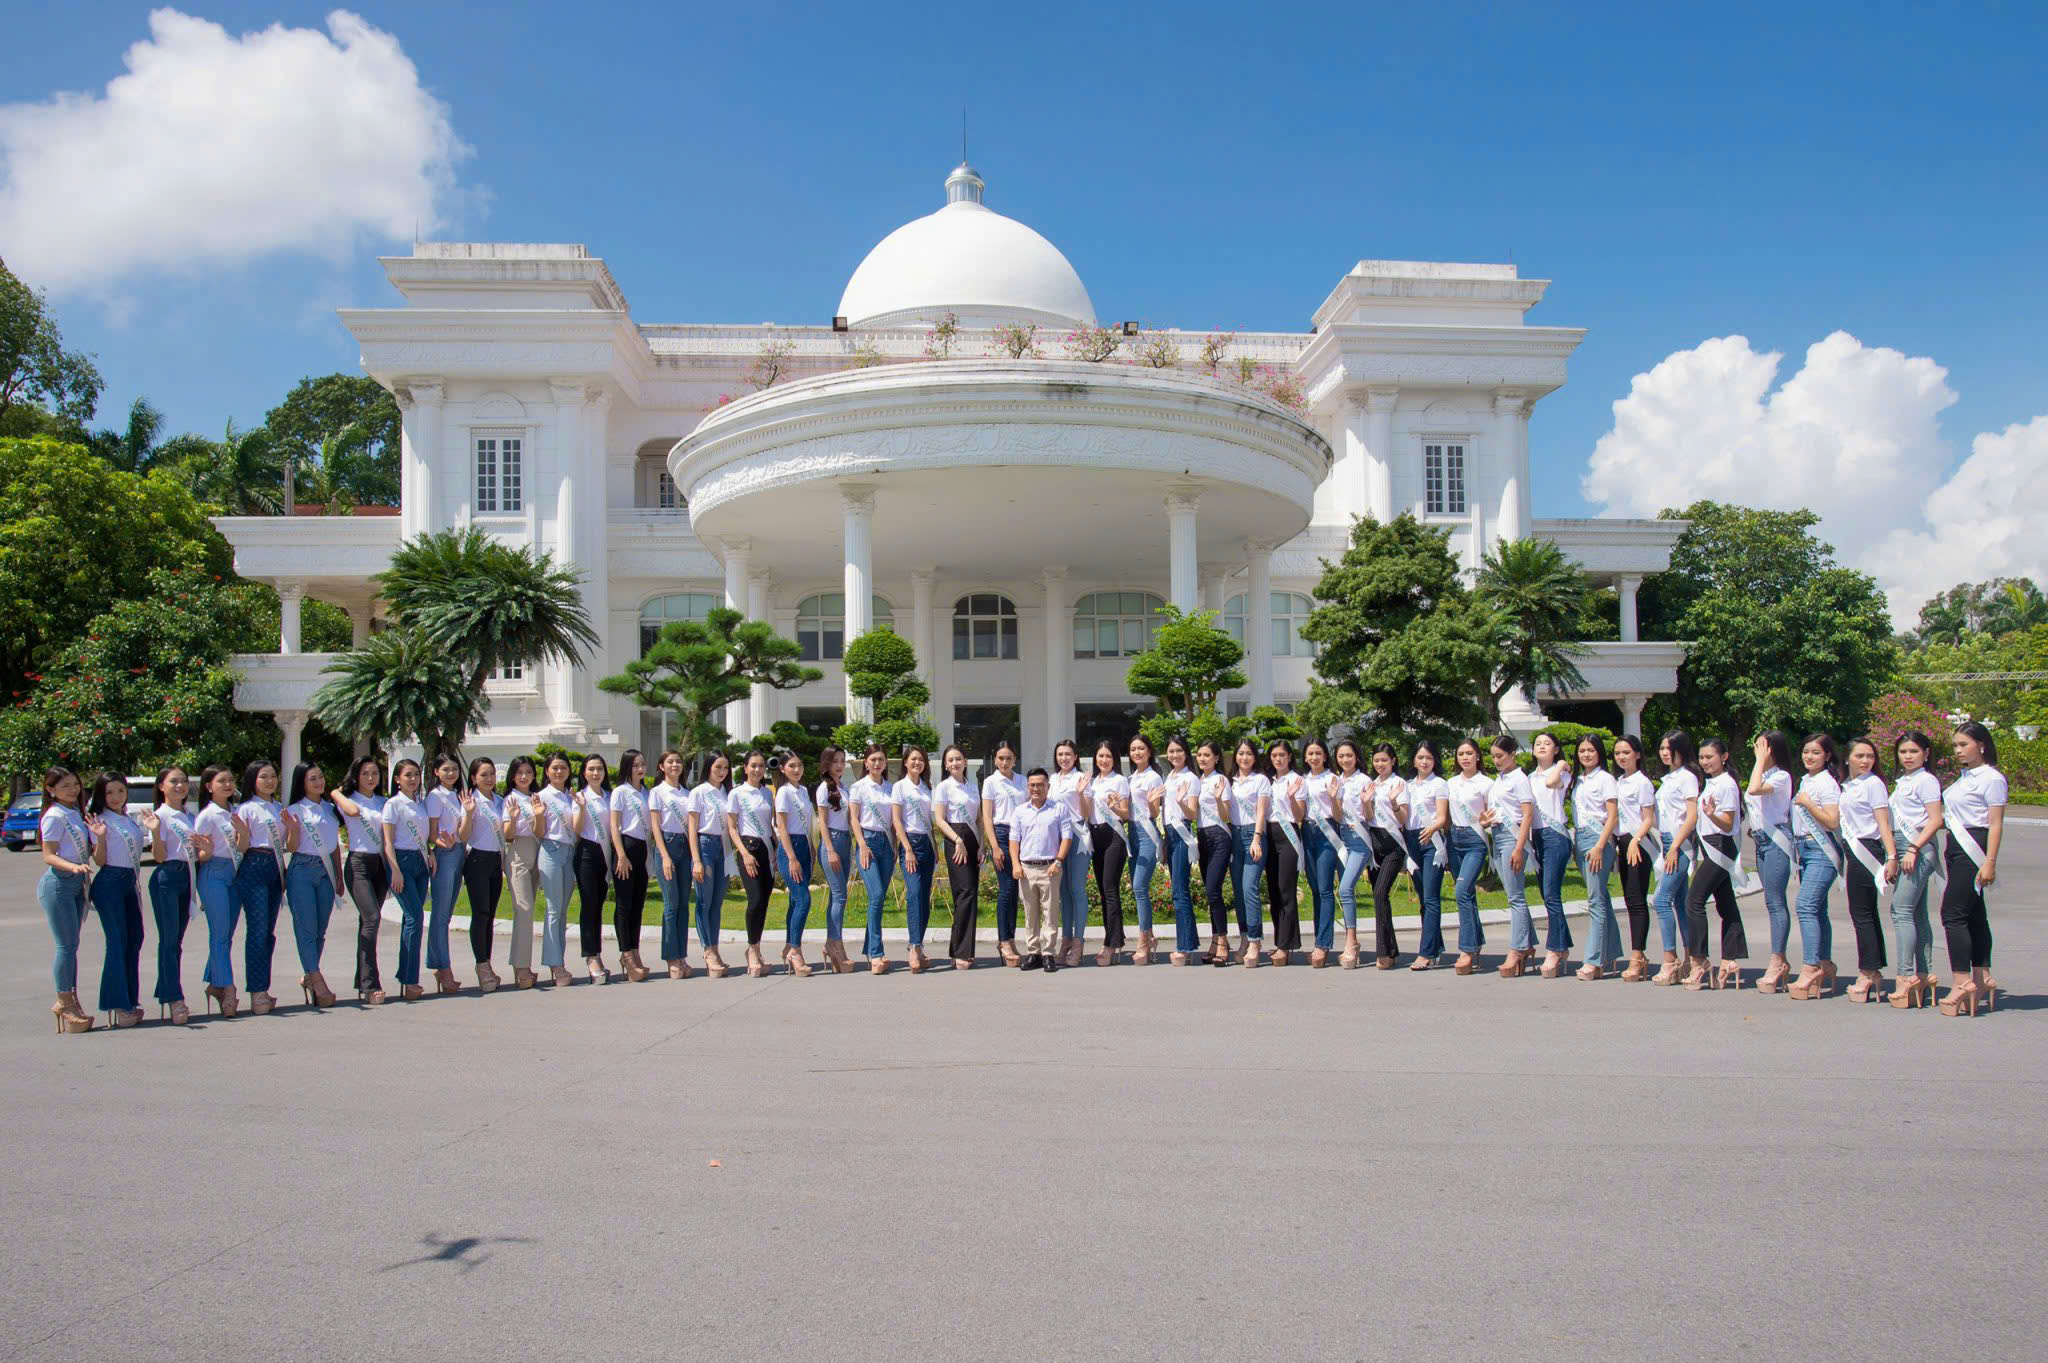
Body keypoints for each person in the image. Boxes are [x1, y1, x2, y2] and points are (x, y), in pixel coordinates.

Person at [1936, 721, 2004, 1017]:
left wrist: (1990, 861)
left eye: (1963, 745)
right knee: (1975, 914)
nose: (1958, 751)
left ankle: (1962, 980)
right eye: (1955, 746)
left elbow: (1996, 823)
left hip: (1973, 846)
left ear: (1982, 745)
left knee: (1953, 913)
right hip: (1955, 846)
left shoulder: (1991, 778)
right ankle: (1982, 974)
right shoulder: (1964, 778)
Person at [1682, 738, 1750, 990]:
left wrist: (1711, 815)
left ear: (1724, 757)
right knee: (1726, 903)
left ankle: (1698, 961)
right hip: (1710, 844)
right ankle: (1730, 959)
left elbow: (1729, 823)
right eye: (1701, 757)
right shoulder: (1710, 783)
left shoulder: (1727, 784)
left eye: (1710, 757)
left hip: (1720, 845)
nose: (1705, 761)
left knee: (1694, 900)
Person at [1837, 738, 1899, 1003]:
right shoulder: (1849, 785)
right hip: (1853, 849)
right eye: (1860, 756)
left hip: (1867, 850)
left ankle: (1868, 972)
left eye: (1870, 756)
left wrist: (1892, 856)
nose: (1865, 761)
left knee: (1862, 913)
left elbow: (1883, 823)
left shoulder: (1873, 784)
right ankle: (1873, 968)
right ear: (1848, 758)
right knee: (1864, 913)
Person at [1885, 731, 1944, 1008]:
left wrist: (1913, 849)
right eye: (1903, 752)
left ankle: (1906, 976)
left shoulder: (1927, 781)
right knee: (1916, 913)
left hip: (1917, 848)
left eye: (1913, 751)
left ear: (1926, 753)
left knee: (1901, 910)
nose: (1908, 756)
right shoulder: (1905, 781)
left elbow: (1935, 820)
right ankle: (1925, 972)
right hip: (1905, 847)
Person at [84, 772, 147, 1028]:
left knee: (135, 939)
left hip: (129, 881)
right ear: (100, 794)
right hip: (109, 882)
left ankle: (130, 1000)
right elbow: (99, 860)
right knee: (118, 941)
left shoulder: (127, 817)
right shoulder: (99, 820)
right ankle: (119, 1005)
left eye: (120, 791)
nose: (115, 797)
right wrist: (98, 836)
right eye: (109, 792)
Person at [142, 767, 203, 1023]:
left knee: (176, 942)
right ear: (161, 786)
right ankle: (174, 998)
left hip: (187, 878)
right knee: (168, 941)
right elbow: (158, 857)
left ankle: (167, 990)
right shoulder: (159, 816)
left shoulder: (190, 816)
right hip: (167, 877)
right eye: (173, 782)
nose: (180, 786)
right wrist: (155, 831)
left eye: (184, 782)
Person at [39, 767, 97, 1032]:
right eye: (65, 786)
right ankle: (64, 1001)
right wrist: (72, 867)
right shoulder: (54, 815)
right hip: (59, 883)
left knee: (72, 946)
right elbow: (48, 855)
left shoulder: (76, 812)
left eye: (75, 784)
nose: (73, 790)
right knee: (65, 946)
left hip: (77, 883)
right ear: (51, 790)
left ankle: (71, 999)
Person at [282, 762, 342, 1007]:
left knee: (320, 930)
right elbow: (292, 847)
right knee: (306, 929)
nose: (318, 782)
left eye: (320, 777)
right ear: (301, 783)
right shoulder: (295, 809)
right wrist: (294, 830)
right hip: (302, 870)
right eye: (312, 779)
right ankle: (317, 979)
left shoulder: (329, 808)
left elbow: (334, 844)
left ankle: (310, 974)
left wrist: (338, 874)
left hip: (326, 871)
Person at [1787, 734, 1843, 999]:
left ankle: (1811, 966)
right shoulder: (1806, 781)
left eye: (1816, 753)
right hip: (1804, 849)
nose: (1809, 757)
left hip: (1821, 850)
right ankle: (1824, 962)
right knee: (1818, 909)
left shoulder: (1827, 784)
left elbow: (1832, 821)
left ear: (1828, 756)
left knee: (1805, 905)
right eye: (1806, 752)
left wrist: (1808, 803)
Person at [1008, 767, 1077, 972]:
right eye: (1032, 785)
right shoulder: (1020, 811)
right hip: (1027, 869)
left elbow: (1067, 837)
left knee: (1050, 912)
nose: (1036, 788)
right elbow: (1014, 840)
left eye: (1040, 785)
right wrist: (1015, 864)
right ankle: (1033, 953)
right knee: (1031, 914)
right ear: (1027, 787)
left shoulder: (1059, 809)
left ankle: (1048, 953)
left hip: (1050, 868)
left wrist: (1058, 861)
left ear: (1048, 786)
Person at [332, 756, 389, 1004]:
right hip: (358, 864)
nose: (370, 778)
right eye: (365, 773)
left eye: (375, 773)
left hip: (380, 865)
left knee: (366, 922)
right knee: (372, 919)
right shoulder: (348, 800)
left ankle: (362, 979)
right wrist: (336, 792)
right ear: (356, 776)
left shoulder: (383, 802)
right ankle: (370, 984)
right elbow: (352, 812)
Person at [1744, 731, 1798, 993]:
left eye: (1762, 747)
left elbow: (1754, 790)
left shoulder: (1780, 776)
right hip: (1761, 841)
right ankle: (1782, 960)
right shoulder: (1764, 774)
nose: (1757, 751)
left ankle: (1777, 960)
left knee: (1776, 902)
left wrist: (1759, 761)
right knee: (1770, 901)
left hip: (1776, 841)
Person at [236, 759, 289, 1014]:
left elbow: (287, 842)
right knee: (257, 931)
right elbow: (240, 845)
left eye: (273, 776)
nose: (270, 781)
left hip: (276, 868)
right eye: (263, 777)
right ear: (252, 780)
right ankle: (256, 991)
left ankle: (264, 988)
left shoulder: (279, 808)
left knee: (269, 932)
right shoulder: (246, 809)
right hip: (254, 865)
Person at [1481, 736, 1537, 978]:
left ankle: (1517, 950)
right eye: (1493, 756)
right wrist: (1485, 820)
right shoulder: (1499, 780)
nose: (1496, 761)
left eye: (1500, 756)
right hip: (1498, 834)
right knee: (1512, 894)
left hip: (1513, 838)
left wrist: (1519, 847)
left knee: (1516, 896)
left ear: (1513, 754)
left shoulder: (1520, 779)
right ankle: (1528, 942)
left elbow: (1527, 815)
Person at [194, 765, 247, 1016]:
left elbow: (243, 846)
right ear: (209, 786)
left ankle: (215, 982)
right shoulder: (207, 815)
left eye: (230, 780)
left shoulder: (236, 812)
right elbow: (199, 854)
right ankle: (228, 988)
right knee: (219, 934)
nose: (228, 785)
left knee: (226, 933)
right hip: (213, 873)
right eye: (221, 781)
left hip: (235, 874)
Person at [1650, 731, 1702, 986]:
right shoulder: (1668, 778)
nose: (1664, 752)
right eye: (1661, 748)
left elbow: (1691, 817)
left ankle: (1670, 960)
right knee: (1680, 905)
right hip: (1667, 842)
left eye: (1669, 747)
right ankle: (1692, 959)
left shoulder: (1688, 778)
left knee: (1660, 900)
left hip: (1679, 845)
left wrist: (1675, 847)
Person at [381, 758, 433, 1001]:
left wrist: (430, 853)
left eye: (416, 775)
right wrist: (395, 870)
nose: (413, 779)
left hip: (421, 863)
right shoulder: (393, 805)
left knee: (410, 920)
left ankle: (406, 975)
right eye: (408, 775)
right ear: (397, 779)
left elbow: (424, 836)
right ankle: (411, 980)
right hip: (401, 862)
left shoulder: (420, 804)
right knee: (415, 917)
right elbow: (388, 842)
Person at [1571, 735, 1621, 979]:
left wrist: (1601, 846)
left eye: (1591, 750)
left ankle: (1594, 960)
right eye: (1582, 750)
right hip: (1580, 839)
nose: (1586, 755)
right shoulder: (1579, 780)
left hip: (1597, 840)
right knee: (1602, 897)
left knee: (1595, 901)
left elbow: (1612, 816)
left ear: (1600, 753)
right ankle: (1609, 954)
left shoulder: (1605, 779)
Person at [1527, 732, 1576, 977]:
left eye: (1547, 744)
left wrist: (1558, 764)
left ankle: (1555, 949)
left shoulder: (1562, 773)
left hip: (1555, 836)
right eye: (1538, 744)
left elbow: (1551, 783)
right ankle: (1563, 944)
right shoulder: (1528, 777)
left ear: (1556, 749)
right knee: (1547, 896)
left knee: (1551, 894)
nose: (1542, 747)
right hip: (1536, 837)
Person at [727, 750, 779, 977]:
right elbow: (731, 827)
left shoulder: (768, 793)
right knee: (755, 899)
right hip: (748, 848)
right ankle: (752, 950)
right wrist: (744, 854)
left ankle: (756, 948)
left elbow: (772, 823)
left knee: (764, 901)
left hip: (767, 848)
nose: (758, 770)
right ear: (745, 767)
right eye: (753, 766)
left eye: (761, 766)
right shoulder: (737, 793)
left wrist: (776, 851)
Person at [1443, 739, 1493, 975]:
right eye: (1461, 753)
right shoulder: (1450, 783)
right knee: (1468, 895)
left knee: (1461, 892)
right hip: (1454, 839)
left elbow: (1492, 815)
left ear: (1478, 756)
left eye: (1469, 753)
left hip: (1475, 840)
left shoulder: (1486, 783)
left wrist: (1487, 823)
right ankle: (1476, 943)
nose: (1465, 757)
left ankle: (1467, 949)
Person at [535, 754, 582, 987]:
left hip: (569, 852)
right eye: (554, 768)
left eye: (563, 767)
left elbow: (577, 828)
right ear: (546, 771)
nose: (559, 772)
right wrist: (537, 815)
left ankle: (559, 960)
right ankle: (555, 964)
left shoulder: (572, 796)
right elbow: (539, 831)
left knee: (563, 910)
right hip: (550, 850)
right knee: (553, 909)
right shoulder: (541, 796)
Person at [422, 754, 467, 996]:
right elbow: (431, 833)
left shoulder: (459, 795)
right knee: (440, 915)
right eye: (446, 770)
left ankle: (439, 963)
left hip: (460, 852)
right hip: (445, 854)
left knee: (446, 914)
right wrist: (441, 843)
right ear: (436, 772)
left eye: (454, 769)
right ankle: (443, 968)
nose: (451, 773)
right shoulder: (435, 796)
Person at [1613, 736, 1658, 981]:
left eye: (1627, 752)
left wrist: (1636, 840)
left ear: (1638, 755)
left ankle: (1638, 955)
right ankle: (1638, 954)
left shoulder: (1642, 783)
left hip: (1638, 843)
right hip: (1621, 842)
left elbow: (1648, 818)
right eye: (1618, 753)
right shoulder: (1618, 781)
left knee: (1637, 898)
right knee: (1629, 899)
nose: (1621, 757)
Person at [1404, 740, 1451, 971]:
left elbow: (1442, 816)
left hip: (1431, 842)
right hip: (1412, 842)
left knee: (1431, 899)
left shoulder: (1439, 784)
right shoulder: (1406, 785)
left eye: (1429, 758)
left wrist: (1432, 829)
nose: (1424, 762)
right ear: (1414, 759)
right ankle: (1436, 946)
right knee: (1424, 899)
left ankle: (1426, 953)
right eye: (1421, 757)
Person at [890, 746, 938, 973]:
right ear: (905, 763)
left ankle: (919, 946)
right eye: (913, 759)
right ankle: (913, 946)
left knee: (924, 897)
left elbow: (931, 822)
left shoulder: (928, 787)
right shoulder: (899, 787)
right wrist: (907, 848)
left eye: (921, 759)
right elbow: (897, 821)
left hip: (927, 844)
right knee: (914, 893)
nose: (917, 763)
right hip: (910, 844)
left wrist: (936, 848)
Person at [461, 757, 507, 991]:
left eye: (491, 774)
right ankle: (482, 967)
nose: (489, 779)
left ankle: (487, 964)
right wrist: (468, 813)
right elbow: (464, 835)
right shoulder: (471, 801)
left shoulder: (499, 801)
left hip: (494, 862)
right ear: (473, 779)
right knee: (480, 914)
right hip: (476, 859)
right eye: (483, 775)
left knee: (490, 915)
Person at [647, 750, 694, 980]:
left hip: (686, 847)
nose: (675, 765)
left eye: (678, 761)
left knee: (684, 904)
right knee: (671, 904)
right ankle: (671, 957)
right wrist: (664, 855)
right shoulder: (656, 792)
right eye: (670, 761)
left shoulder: (687, 793)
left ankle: (682, 955)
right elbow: (655, 827)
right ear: (661, 766)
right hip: (667, 845)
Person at [849, 746, 896, 974]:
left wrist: (896, 846)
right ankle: (877, 953)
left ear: (885, 763)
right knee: (876, 895)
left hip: (887, 844)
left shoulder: (891, 788)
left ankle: (870, 947)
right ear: (865, 763)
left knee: (880, 898)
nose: (877, 763)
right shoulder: (858, 788)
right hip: (867, 842)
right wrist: (863, 846)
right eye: (873, 759)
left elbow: (895, 820)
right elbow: (854, 819)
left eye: (881, 760)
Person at [979, 740, 1026, 967]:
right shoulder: (990, 782)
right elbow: (987, 816)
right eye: (1001, 758)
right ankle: (1004, 941)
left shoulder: (1023, 781)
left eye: (1009, 758)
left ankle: (1011, 937)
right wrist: (994, 846)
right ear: (995, 760)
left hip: (1022, 836)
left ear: (1014, 759)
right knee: (1006, 889)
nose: (1005, 762)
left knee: (1016, 891)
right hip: (1001, 833)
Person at [934, 745, 981, 970]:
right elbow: (940, 820)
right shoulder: (943, 788)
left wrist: (981, 845)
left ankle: (961, 949)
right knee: (964, 893)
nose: (955, 763)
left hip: (972, 839)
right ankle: (961, 950)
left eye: (958, 759)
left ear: (965, 762)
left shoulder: (972, 787)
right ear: (945, 764)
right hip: (956, 839)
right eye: (950, 760)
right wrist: (957, 840)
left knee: (971, 894)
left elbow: (979, 818)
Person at [497, 756, 542, 989]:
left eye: (528, 772)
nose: (524, 776)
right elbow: (507, 834)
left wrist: (539, 814)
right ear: (512, 776)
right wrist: (513, 819)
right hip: (518, 854)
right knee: (523, 909)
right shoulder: (510, 799)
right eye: (519, 772)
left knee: (528, 910)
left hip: (537, 851)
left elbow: (541, 830)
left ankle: (522, 964)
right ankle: (522, 969)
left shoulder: (536, 797)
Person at [1085, 740, 1131, 966]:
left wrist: (1114, 808)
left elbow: (1126, 813)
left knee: (1110, 889)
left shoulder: (1120, 781)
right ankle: (1116, 936)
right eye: (1100, 756)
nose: (1103, 760)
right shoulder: (1092, 781)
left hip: (1113, 835)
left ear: (1115, 759)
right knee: (1103, 891)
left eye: (1108, 757)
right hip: (1095, 836)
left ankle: (1111, 944)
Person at [608, 749, 652, 982]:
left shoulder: (645, 792)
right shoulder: (620, 792)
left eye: (643, 764)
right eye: (635, 765)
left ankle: (635, 951)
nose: (640, 768)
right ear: (627, 767)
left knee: (638, 904)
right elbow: (614, 826)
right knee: (624, 905)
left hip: (642, 850)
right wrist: (621, 855)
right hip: (625, 847)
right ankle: (626, 955)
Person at [1364, 743, 1410, 970]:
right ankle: (1391, 949)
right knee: (1379, 897)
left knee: (1380, 893)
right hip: (1375, 843)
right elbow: (1370, 816)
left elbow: (1402, 819)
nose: (1380, 764)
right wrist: (1365, 803)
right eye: (1376, 760)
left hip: (1393, 845)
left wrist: (1393, 803)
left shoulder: (1399, 784)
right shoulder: (1372, 784)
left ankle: (1383, 951)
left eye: (1384, 760)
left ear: (1393, 761)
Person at [689, 752, 734, 977]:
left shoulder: (727, 793)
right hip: (705, 845)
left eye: (725, 767)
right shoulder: (699, 792)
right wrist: (696, 859)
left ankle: (715, 949)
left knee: (716, 903)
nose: (722, 771)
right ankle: (707, 951)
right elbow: (692, 828)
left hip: (723, 848)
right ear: (708, 767)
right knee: (704, 901)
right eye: (718, 767)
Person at [1296, 738, 1340, 968]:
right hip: (1307, 833)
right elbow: (1299, 813)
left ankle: (1323, 945)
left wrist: (1333, 798)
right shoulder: (1301, 781)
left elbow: (1338, 813)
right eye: (1310, 753)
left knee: (1324, 889)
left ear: (1325, 756)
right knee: (1315, 890)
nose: (1314, 757)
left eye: (1318, 753)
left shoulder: (1333, 779)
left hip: (1327, 833)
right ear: (1305, 757)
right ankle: (1317, 942)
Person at [1048, 739, 1092, 967]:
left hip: (1077, 836)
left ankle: (1078, 942)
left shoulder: (1081, 778)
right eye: (1060, 754)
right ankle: (1065, 941)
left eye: (1068, 754)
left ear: (1075, 757)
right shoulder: (1052, 780)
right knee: (1063, 892)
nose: (1063, 758)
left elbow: (1086, 813)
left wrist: (1082, 793)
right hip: (1057, 839)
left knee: (1076, 889)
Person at [1227, 739, 1271, 968]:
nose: (1244, 757)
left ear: (1255, 757)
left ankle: (1255, 940)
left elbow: (1262, 811)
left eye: (1249, 754)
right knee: (1238, 890)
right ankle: (1244, 937)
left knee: (1249, 887)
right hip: (1234, 836)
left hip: (1253, 835)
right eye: (1241, 753)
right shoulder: (1230, 781)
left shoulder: (1261, 780)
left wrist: (1256, 837)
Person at [1160, 736, 1203, 966]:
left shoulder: (1190, 778)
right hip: (1170, 834)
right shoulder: (1170, 776)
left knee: (1180, 892)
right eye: (1171, 751)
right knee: (1178, 891)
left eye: (1178, 751)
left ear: (1186, 753)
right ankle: (1188, 943)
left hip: (1182, 833)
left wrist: (1180, 800)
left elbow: (1192, 813)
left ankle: (1184, 947)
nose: (1174, 755)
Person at [1191, 740, 1235, 965]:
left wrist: (1218, 799)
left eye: (1207, 755)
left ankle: (1223, 943)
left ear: (1217, 758)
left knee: (1213, 890)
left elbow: (1226, 815)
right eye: (1199, 755)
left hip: (1219, 836)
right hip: (1202, 837)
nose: (1202, 759)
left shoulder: (1220, 780)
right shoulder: (1197, 781)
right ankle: (1215, 940)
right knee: (1211, 893)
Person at [774, 751, 817, 976]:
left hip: (805, 846)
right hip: (790, 847)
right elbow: (781, 827)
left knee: (794, 901)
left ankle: (789, 946)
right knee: (803, 899)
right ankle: (795, 950)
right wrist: (791, 858)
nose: (797, 770)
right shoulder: (783, 792)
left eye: (799, 765)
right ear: (782, 769)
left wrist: (811, 847)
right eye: (792, 766)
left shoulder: (803, 792)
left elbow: (807, 823)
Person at [1262, 740, 1304, 965]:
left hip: (1288, 834)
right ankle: (1281, 939)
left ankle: (1285, 945)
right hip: (1270, 834)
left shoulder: (1297, 780)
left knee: (1286, 890)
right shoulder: (1268, 782)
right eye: (1274, 755)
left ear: (1289, 757)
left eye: (1282, 755)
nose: (1278, 759)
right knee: (1274, 891)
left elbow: (1299, 816)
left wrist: (1290, 797)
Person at [573, 754, 614, 984]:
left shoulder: (610, 796)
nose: (596, 773)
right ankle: (591, 957)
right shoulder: (580, 796)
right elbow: (577, 830)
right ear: (584, 773)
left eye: (599, 768)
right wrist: (580, 808)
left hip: (606, 853)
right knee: (589, 906)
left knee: (598, 906)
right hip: (587, 853)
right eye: (591, 769)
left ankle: (597, 953)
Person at [814, 746, 855, 973]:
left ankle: (832, 943)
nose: (839, 765)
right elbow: (822, 822)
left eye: (842, 760)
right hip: (833, 842)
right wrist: (829, 849)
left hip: (845, 840)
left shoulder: (843, 787)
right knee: (839, 896)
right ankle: (835, 945)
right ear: (826, 764)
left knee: (838, 896)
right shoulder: (823, 789)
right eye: (835, 761)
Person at [1126, 734, 1166, 965]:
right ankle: (1149, 937)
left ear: (1149, 751)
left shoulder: (1153, 777)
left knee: (1140, 886)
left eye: (1141, 748)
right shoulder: (1130, 778)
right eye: (1133, 749)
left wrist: (1152, 802)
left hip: (1147, 834)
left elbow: (1154, 813)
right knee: (1136, 887)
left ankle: (1143, 940)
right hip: (1131, 832)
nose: (1137, 752)